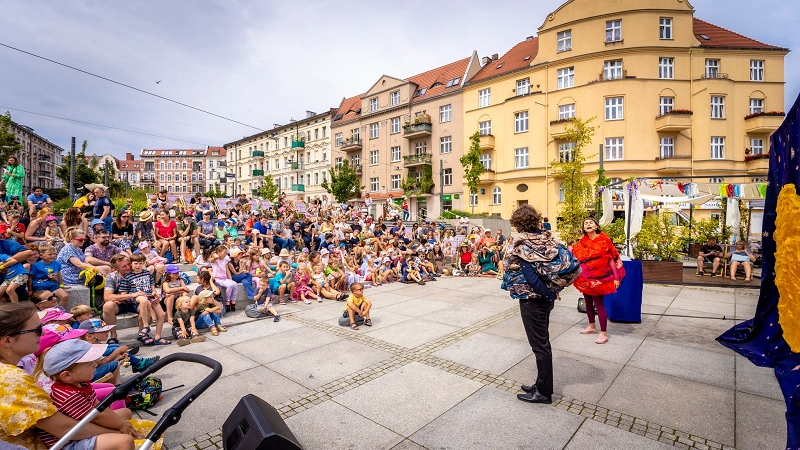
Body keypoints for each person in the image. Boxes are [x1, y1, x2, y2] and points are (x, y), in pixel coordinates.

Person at [0, 302, 133, 449]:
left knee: (124, 416)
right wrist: (119, 431)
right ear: (8, 341)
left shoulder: (9, 372)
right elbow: (64, 428)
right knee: (127, 437)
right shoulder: (10, 379)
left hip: (56, 437)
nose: (43, 333)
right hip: (43, 444)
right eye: (37, 329)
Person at [502, 204, 569, 404]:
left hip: (533, 300)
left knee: (540, 346)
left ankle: (543, 392)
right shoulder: (545, 239)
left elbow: (531, 277)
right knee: (542, 344)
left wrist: (548, 295)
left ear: (519, 223)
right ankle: (541, 384)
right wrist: (553, 292)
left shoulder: (524, 244)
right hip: (544, 299)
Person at [39, 339, 138, 449]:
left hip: (84, 424)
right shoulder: (69, 396)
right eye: (89, 364)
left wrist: (120, 423)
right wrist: (120, 426)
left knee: (126, 412)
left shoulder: (80, 384)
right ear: (66, 375)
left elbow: (99, 407)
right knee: (125, 441)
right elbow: (98, 417)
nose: (95, 365)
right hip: (69, 443)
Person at [571, 217, 624, 345]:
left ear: (596, 226)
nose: (588, 224)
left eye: (591, 222)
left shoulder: (604, 240)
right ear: (583, 228)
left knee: (599, 304)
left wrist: (616, 277)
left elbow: (612, 259)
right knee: (588, 302)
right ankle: (592, 326)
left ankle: (603, 333)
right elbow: (576, 259)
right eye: (586, 223)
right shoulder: (580, 243)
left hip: (600, 278)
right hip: (585, 278)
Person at [119, 253, 170, 346]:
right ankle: (146, 326)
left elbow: (152, 286)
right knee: (143, 300)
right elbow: (124, 293)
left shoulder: (147, 273)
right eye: (135, 263)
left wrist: (155, 294)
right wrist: (133, 295)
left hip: (149, 296)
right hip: (137, 298)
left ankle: (158, 337)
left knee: (162, 314)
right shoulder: (127, 277)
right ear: (131, 263)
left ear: (144, 263)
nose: (138, 266)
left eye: (140, 263)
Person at [29, 243, 69, 308]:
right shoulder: (36, 265)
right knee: (46, 300)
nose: (53, 256)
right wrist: (30, 289)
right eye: (50, 254)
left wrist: (61, 285)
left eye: (54, 254)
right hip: (40, 286)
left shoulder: (57, 263)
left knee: (64, 296)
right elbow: (30, 277)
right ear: (41, 255)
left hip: (53, 284)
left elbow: (59, 274)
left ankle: (59, 312)